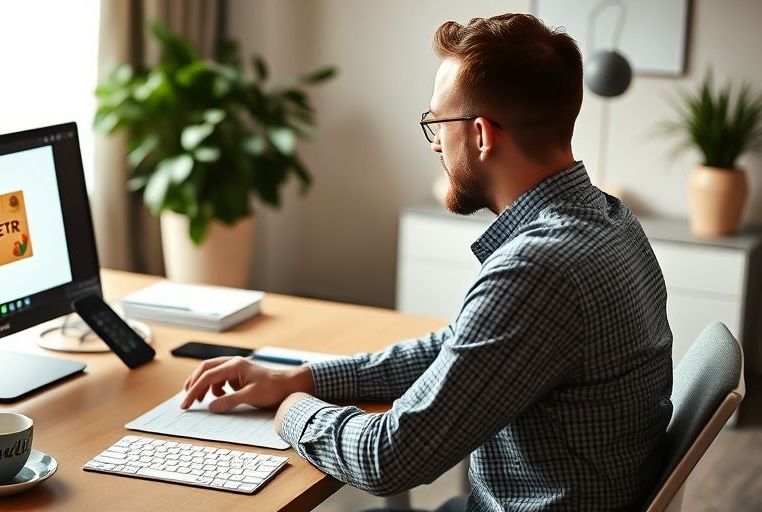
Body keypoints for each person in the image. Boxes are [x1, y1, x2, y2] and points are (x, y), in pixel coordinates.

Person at [180, 13, 672, 511]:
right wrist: (304, 377)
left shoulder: (537, 271)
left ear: (481, 135)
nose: (435, 141)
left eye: (438, 122)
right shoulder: (611, 220)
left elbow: (387, 460)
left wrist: (291, 410)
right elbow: (465, 346)